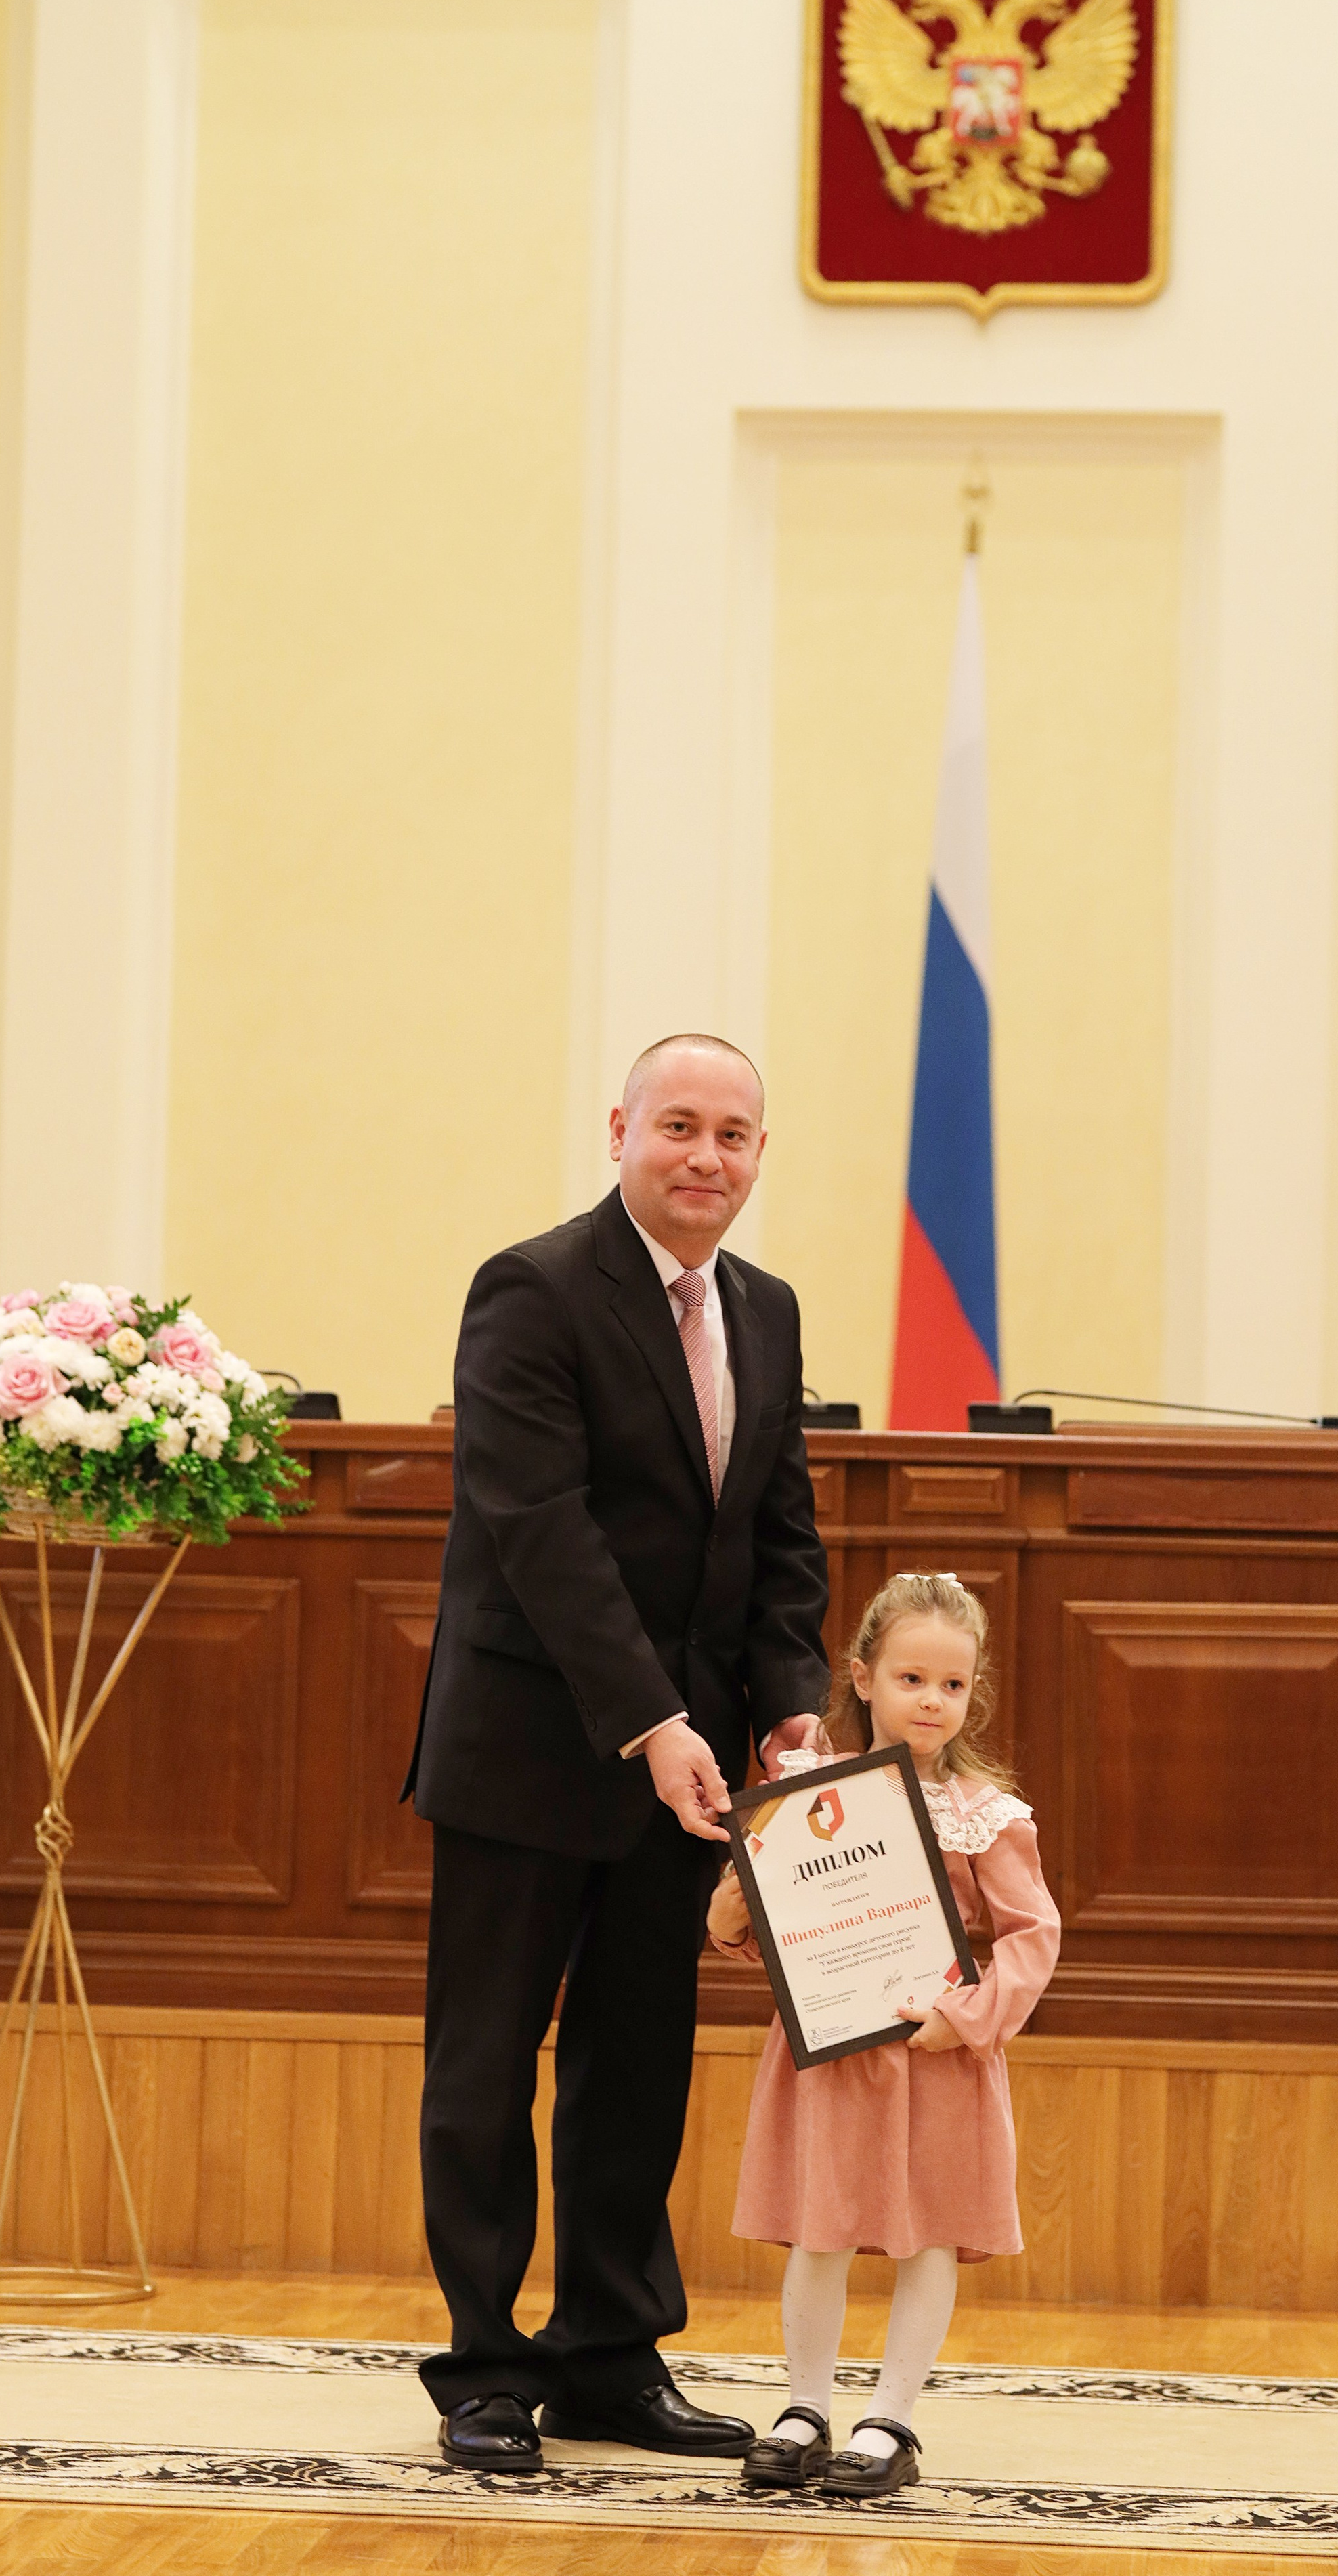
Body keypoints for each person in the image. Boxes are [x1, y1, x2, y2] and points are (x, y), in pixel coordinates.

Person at [403, 1035, 830, 2473]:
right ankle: (481, 2367)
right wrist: (651, 1723)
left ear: (759, 1155)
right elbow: (540, 1533)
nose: (707, 1158)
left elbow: (776, 1534)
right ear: (619, 1132)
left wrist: (786, 1699)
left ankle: (607, 2356)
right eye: (679, 1128)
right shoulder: (530, 1289)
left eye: (735, 1135)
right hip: (534, 1746)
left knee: (636, 2065)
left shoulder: (763, 1311)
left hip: (695, 1763)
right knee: (484, 2065)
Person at [707, 1571, 1060, 2499]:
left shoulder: (986, 1813)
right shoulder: (800, 1792)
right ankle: (805, 2407)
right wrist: (737, 1900)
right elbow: (749, 1927)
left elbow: (1034, 1937)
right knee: (820, 2229)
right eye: (911, 1679)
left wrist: (966, 2017)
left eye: (952, 1684)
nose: (932, 1700)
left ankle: (891, 2418)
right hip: (827, 2052)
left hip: (933, 2055)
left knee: (929, 2235)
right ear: (862, 1677)